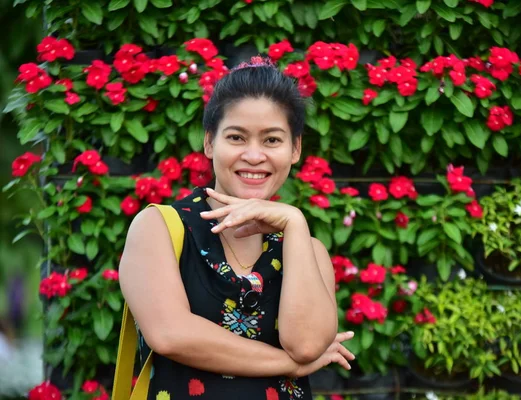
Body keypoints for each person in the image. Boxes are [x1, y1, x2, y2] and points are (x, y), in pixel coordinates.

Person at [119, 56, 355, 400]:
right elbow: (171, 334)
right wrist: (287, 365)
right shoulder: (160, 228)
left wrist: (294, 221)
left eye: (272, 140)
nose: (254, 155)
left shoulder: (305, 247)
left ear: (295, 148)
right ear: (210, 142)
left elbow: (305, 346)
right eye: (237, 137)